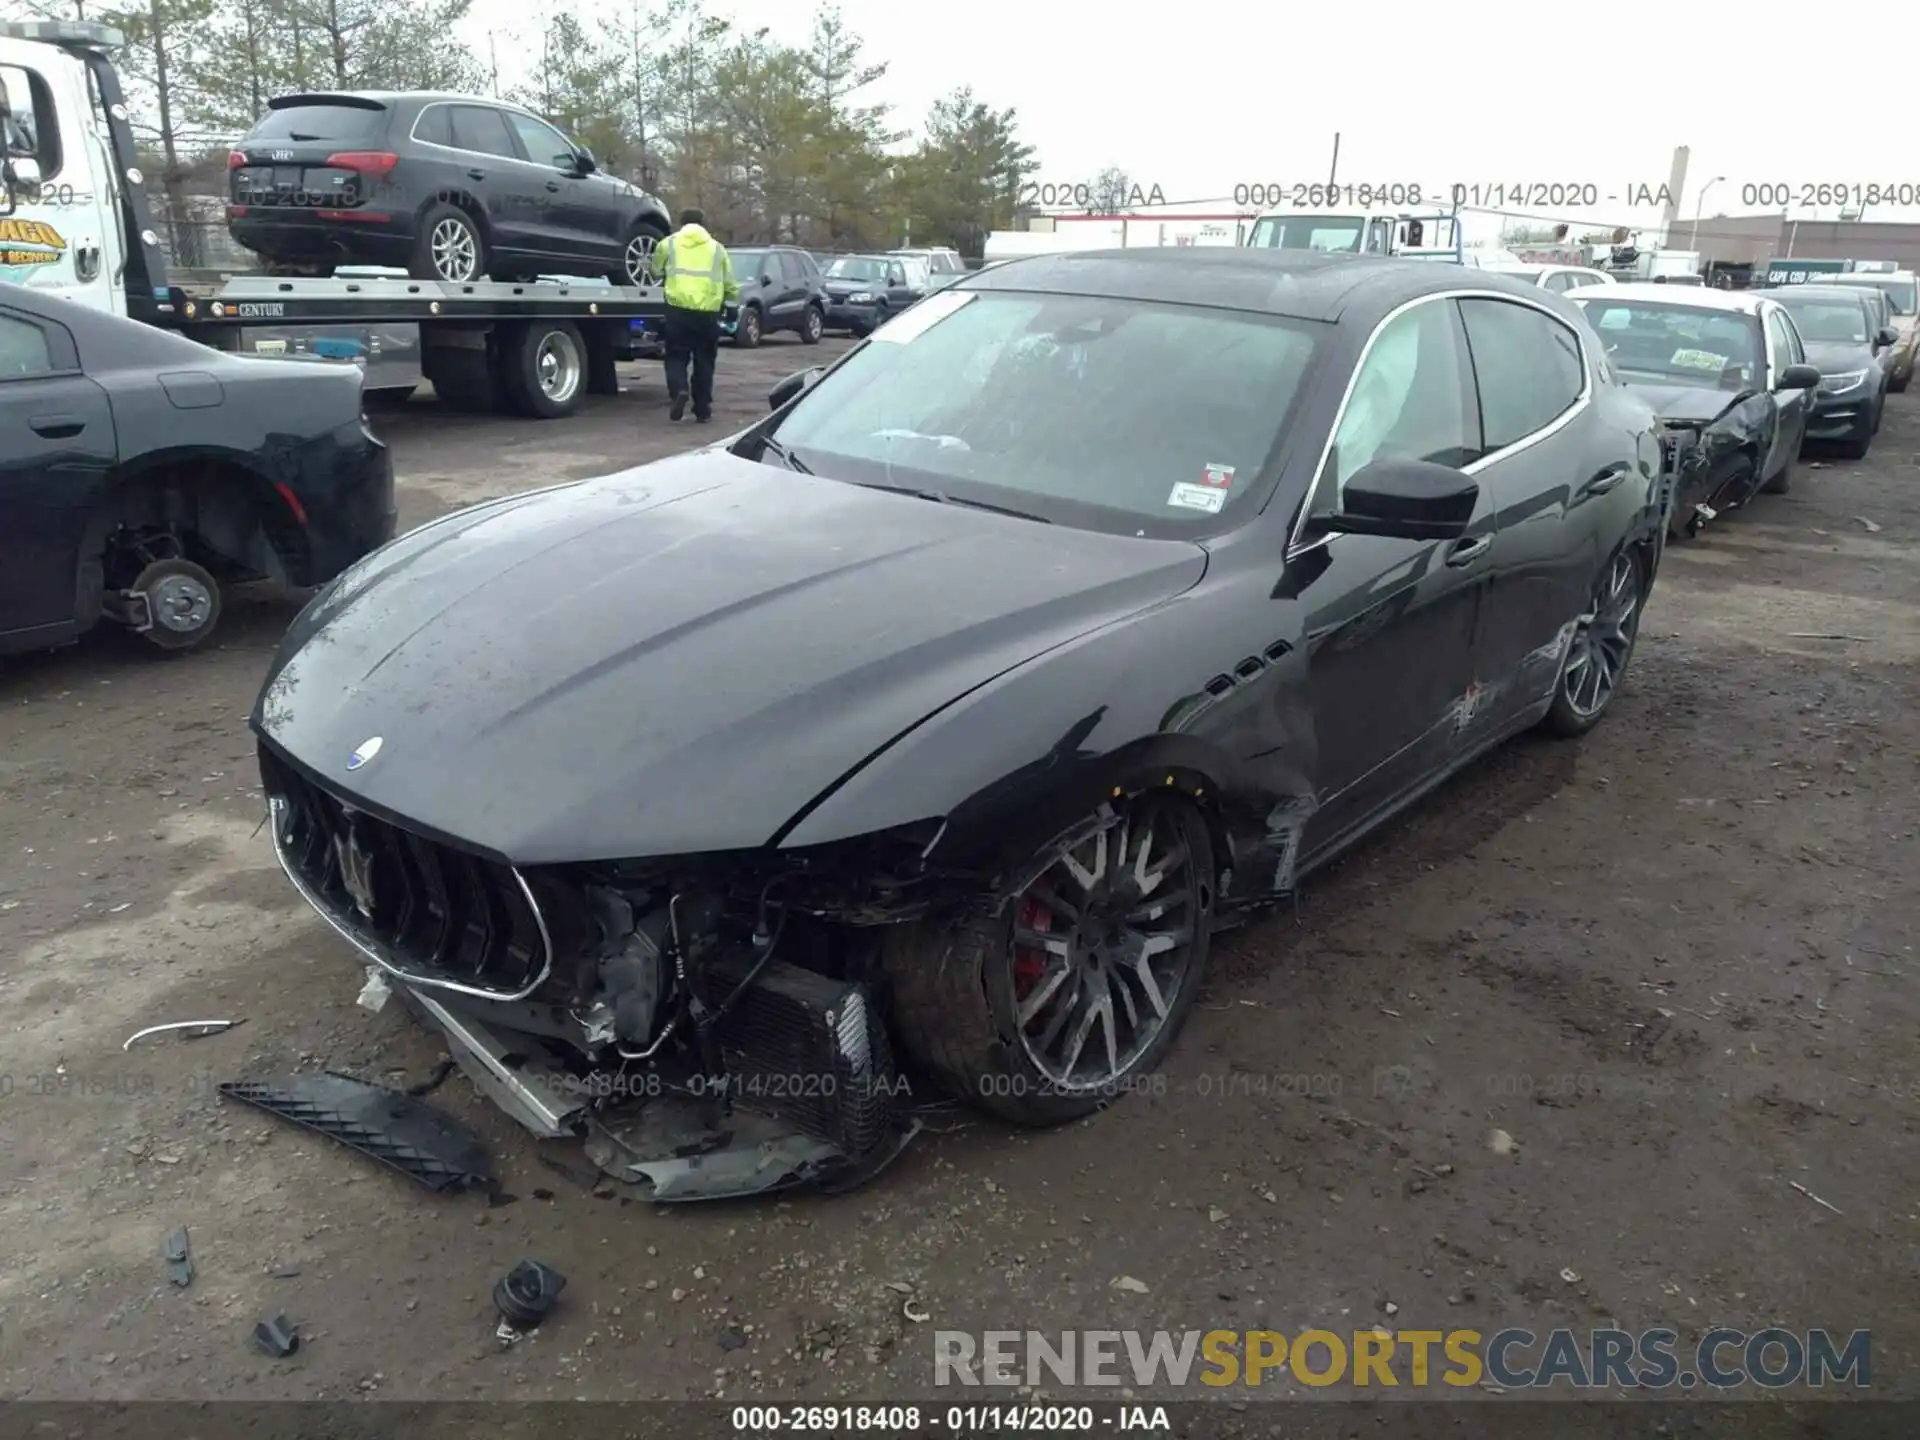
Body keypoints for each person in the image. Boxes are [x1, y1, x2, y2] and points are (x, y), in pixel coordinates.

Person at [649, 207, 739, 423]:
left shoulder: (668, 244)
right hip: (708, 313)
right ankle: (702, 408)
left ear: (682, 223)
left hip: (678, 310)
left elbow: (655, 271)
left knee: (676, 356)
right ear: (703, 224)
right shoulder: (717, 249)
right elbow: (730, 284)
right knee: (705, 361)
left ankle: (679, 391)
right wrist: (732, 311)